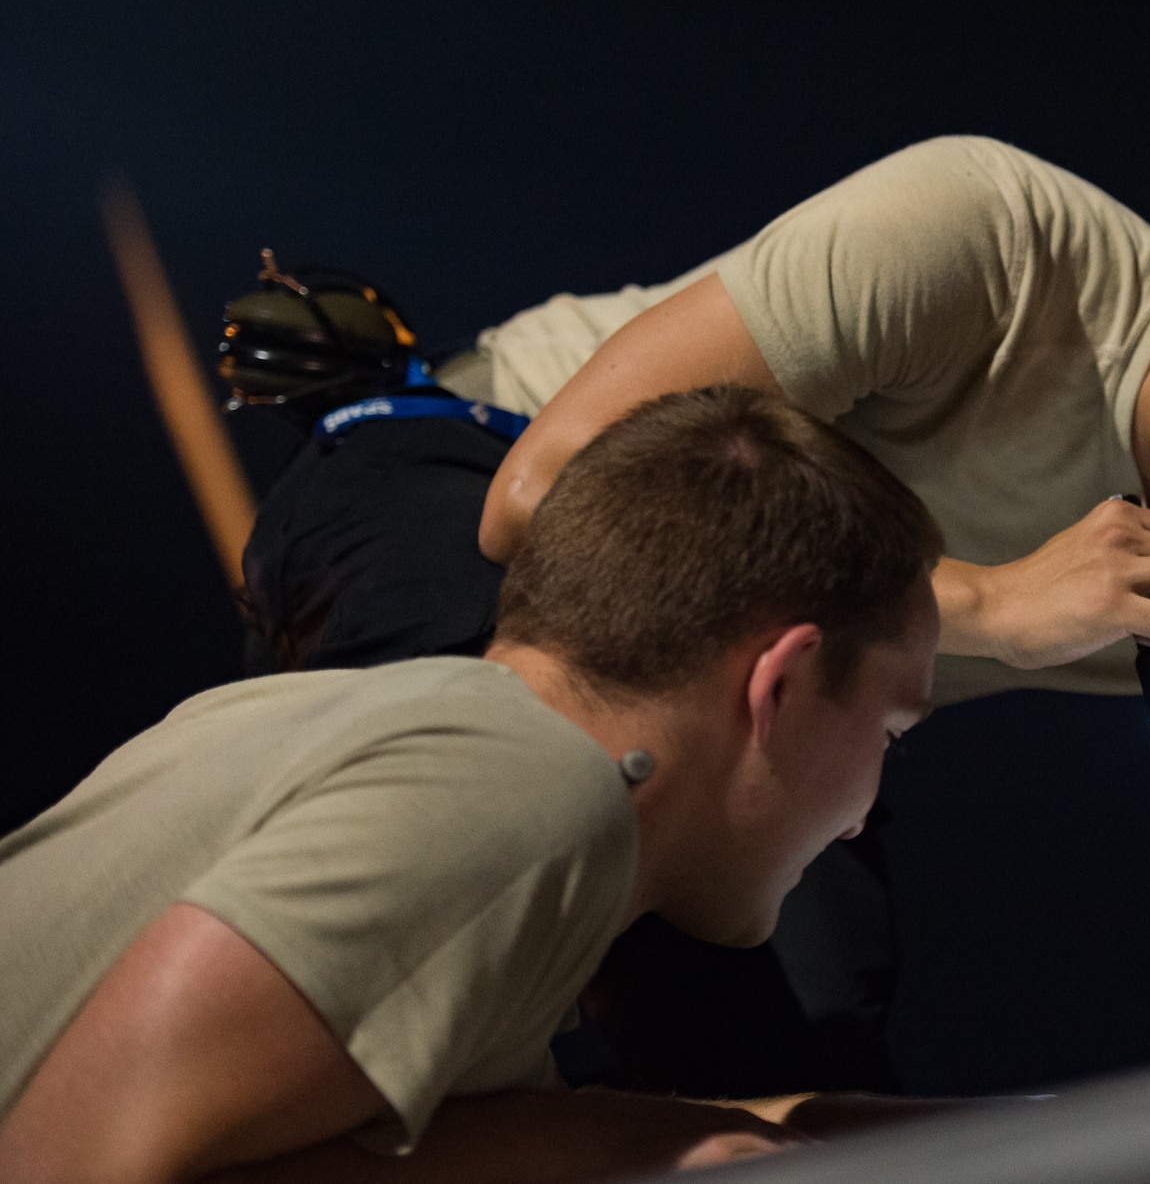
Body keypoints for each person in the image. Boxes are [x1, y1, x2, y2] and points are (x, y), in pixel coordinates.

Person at [237, 99, 1150, 1076]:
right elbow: (537, 499)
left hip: (769, 704)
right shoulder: (995, 237)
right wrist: (993, 605)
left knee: (812, 1080)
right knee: (534, 832)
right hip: (464, 487)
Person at [0, 385, 944, 1181]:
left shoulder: (402, 736)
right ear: (779, 682)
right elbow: (59, 1162)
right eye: (890, 730)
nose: (861, 818)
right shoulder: (527, 797)